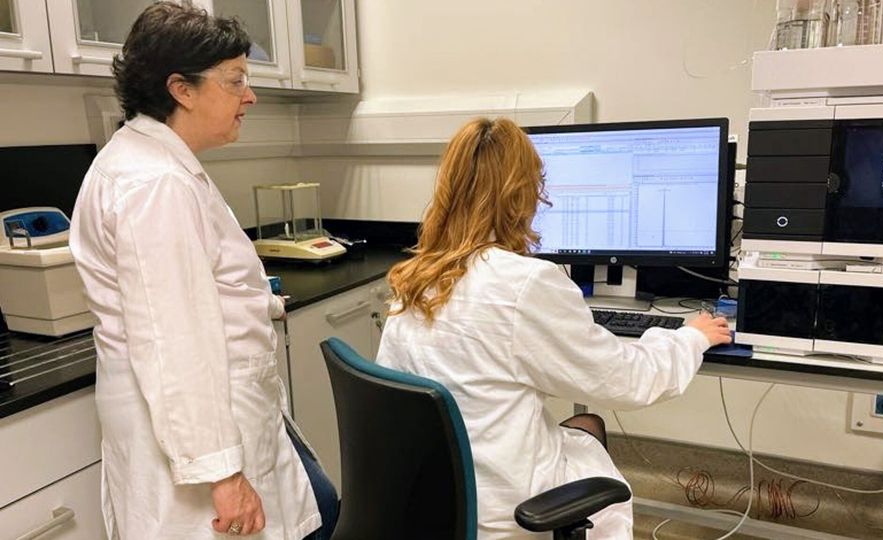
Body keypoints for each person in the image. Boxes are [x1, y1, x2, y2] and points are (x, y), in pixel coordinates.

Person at [376, 117, 731, 539]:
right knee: (591, 433)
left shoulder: (414, 279)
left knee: (586, 426)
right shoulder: (526, 282)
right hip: (507, 511)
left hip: (433, 502)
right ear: (523, 194)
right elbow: (626, 380)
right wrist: (690, 338)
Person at [69, 3, 337, 538]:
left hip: (209, 427)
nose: (250, 96)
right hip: (198, 456)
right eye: (235, 80)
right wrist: (223, 473)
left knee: (320, 505)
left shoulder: (158, 166)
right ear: (181, 89)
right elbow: (174, 342)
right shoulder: (155, 185)